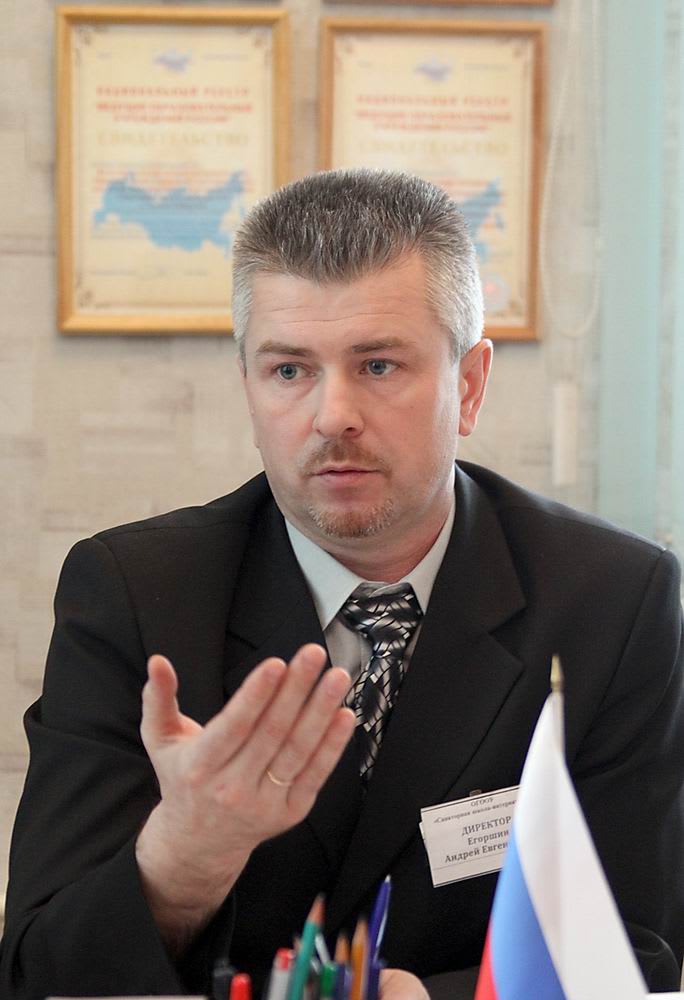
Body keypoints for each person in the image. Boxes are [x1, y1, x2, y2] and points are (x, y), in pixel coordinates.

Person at [1, 169, 683, 1000]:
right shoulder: (135, 596)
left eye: (379, 365)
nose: (332, 416)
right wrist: (185, 854)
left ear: (469, 385)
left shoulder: (613, 599)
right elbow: (38, 973)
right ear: (249, 387)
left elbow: (635, 949)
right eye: (290, 371)